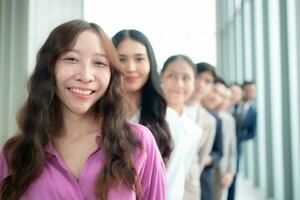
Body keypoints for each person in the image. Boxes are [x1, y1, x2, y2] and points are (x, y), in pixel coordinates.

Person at [0, 20, 166, 200]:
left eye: (99, 63)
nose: (86, 76)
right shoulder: (15, 153)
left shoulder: (139, 142)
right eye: (71, 59)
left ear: (111, 74)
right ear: (49, 68)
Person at [111, 29, 173, 164]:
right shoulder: (98, 113)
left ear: (150, 62)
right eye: (121, 59)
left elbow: (172, 179)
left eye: (139, 59)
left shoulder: (167, 117)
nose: (131, 68)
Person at [161, 55, 202, 200]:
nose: (179, 84)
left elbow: (180, 172)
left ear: (194, 83)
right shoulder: (146, 117)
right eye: (171, 76)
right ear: (161, 78)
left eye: (186, 78)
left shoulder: (194, 130)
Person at [184, 62, 217, 200]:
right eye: (199, 77)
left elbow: (202, 157)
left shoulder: (209, 121)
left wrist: (193, 173)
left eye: (208, 81)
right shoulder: (167, 108)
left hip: (190, 185)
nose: (201, 84)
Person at [227, 81, 257, 200]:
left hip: (237, 147)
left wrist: (237, 137)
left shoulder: (253, 111)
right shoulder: (232, 104)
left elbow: (252, 133)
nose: (251, 93)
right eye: (248, 90)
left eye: (253, 91)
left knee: (233, 175)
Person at [200, 64, 224, 200]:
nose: (215, 96)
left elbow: (219, 151)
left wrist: (208, 159)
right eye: (214, 91)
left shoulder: (215, 119)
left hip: (203, 179)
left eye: (219, 94)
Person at [212, 77, 237, 200]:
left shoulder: (229, 120)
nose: (225, 101)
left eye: (227, 98)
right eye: (222, 96)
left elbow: (232, 150)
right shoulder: (206, 116)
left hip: (222, 174)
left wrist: (231, 172)